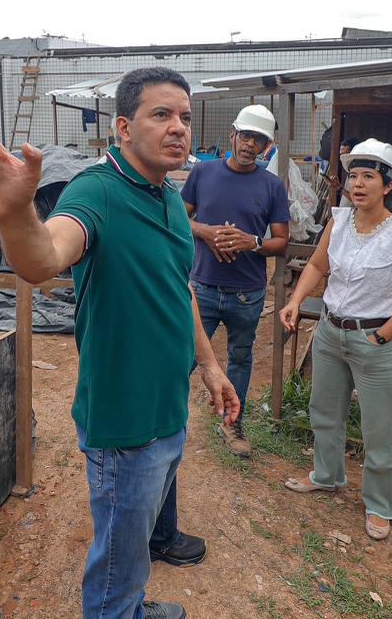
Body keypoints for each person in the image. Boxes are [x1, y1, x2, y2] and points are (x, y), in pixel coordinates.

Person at [0, 67, 239, 619]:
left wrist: (210, 365)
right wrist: (17, 212)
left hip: (166, 408)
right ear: (123, 126)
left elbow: (179, 285)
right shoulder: (97, 191)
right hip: (123, 424)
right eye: (160, 115)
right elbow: (44, 257)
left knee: (135, 541)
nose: (178, 129)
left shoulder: (166, 195)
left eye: (185, 118)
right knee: (117, 560)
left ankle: (134, 607)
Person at [144, 104, 292, 568]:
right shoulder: (203, 174)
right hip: (202, 288)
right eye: (245, 136)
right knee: (183, 355)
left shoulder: (272, 186)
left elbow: (282, 240)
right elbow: (178, 218)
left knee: (240, 359)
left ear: (267, 147)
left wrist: (252, 242)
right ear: (232, 135)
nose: (250, 146)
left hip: (248, 292)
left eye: (259, 141)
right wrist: (207, 232)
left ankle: (234, 422)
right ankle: (163, 420)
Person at [279, 138, 392, 541]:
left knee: (380, 431)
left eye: (369, 176)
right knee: (324, 412)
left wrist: (383, 335)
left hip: (377, 341)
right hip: (332, 333)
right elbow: (317, 264)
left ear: (388, 185)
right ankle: (327, 475)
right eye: (353, 176)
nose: (358, 184)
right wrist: (296, 300)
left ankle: (381, 505)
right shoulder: (340, 221)